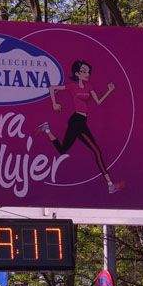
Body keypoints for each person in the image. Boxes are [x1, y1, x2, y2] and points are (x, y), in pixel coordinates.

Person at [37, 58, 124, 194]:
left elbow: (98, 101)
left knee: (63, 149)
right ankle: (110, 185)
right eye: (83, 71)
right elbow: (52, 88)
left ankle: (47, 129)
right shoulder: (72, 86)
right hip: (77, 121)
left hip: (81, 121)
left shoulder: (89, 86)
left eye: (88, 72)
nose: (87, 74)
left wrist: (109, 91)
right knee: (96, 151)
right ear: (77, 73)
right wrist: (54, 103)